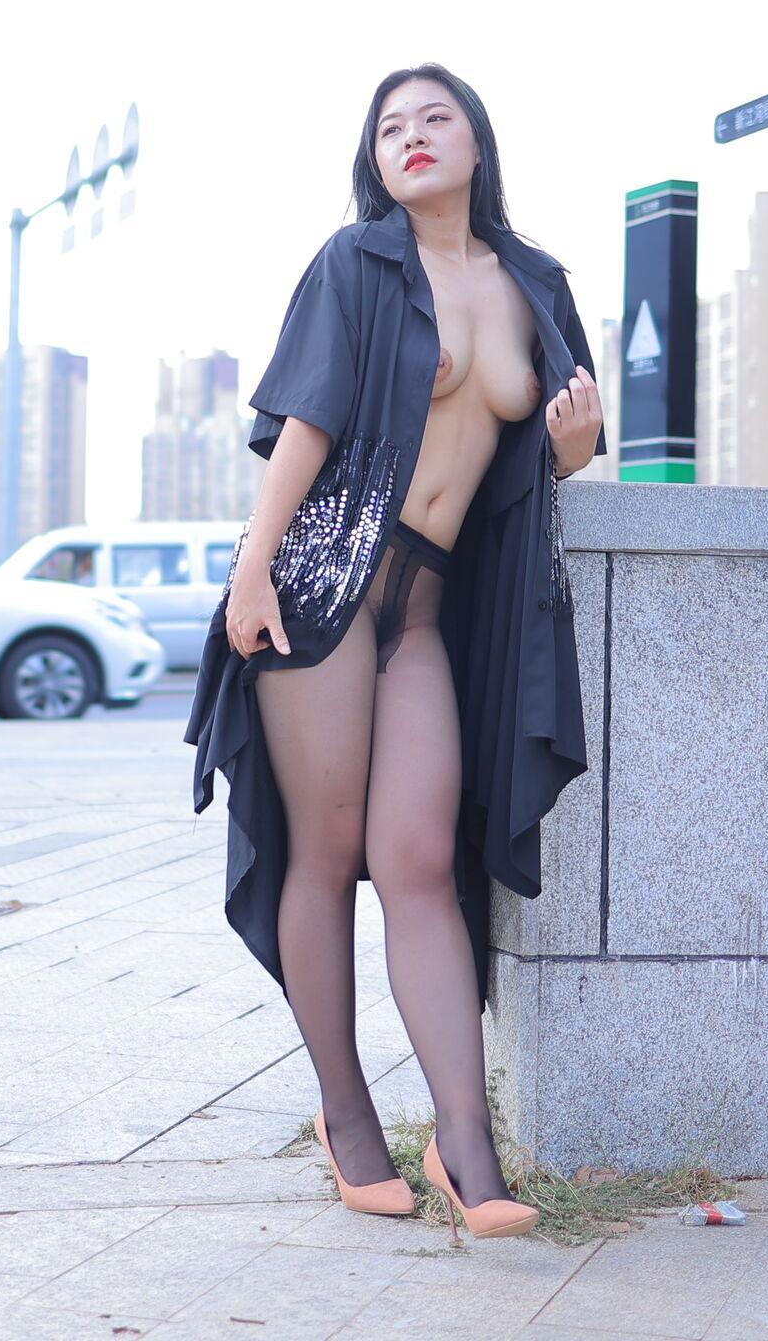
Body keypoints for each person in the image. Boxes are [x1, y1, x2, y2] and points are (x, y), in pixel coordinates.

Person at [183, 63, 602, 1242]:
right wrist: (253, 565)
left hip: (423, 609)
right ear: (373, 160)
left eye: (435, 118)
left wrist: (572, 450)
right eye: (389, 128)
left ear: (478, 141)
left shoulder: (533, 283)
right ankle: (347, 1113)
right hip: (320, 585)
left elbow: (547, 451)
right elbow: (308, 420)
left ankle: (466, 1146)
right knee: (322, 854)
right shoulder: (356, 263)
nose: (411, 137)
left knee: (417, 857)